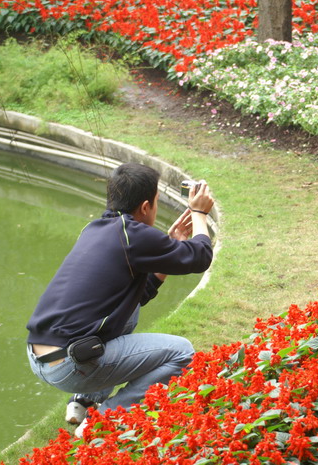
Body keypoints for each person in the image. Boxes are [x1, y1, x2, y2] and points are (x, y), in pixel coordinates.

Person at [26, 162, 214, 437]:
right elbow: (200, 257)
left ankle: (83, 401)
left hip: (41, 356)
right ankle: (103, 419)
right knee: (182, 352)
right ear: (147, 206)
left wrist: (172, 241)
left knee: (131, 313)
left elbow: (138, 295)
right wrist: (199, 213)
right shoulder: (135, 236)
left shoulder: (96, 228)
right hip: (70, 363)